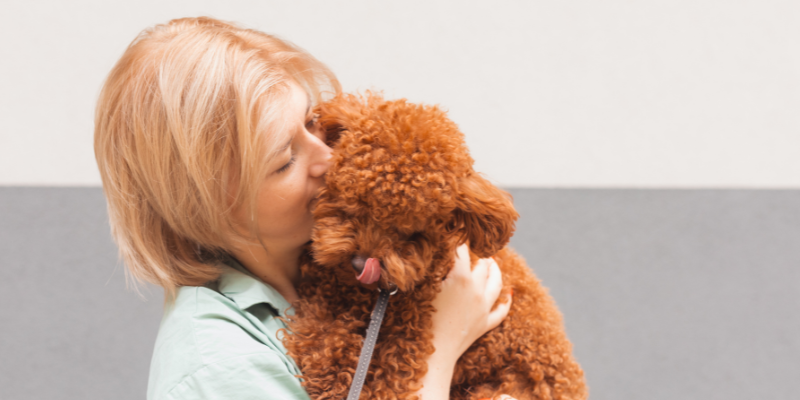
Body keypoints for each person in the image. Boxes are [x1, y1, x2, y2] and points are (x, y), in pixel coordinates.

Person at [95, 17, 512, 400]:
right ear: (202, 208)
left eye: (312, 122)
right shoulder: (219, 366)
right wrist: (442, 340)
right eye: (284, 160)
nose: (329, 158)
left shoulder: (339, 271)